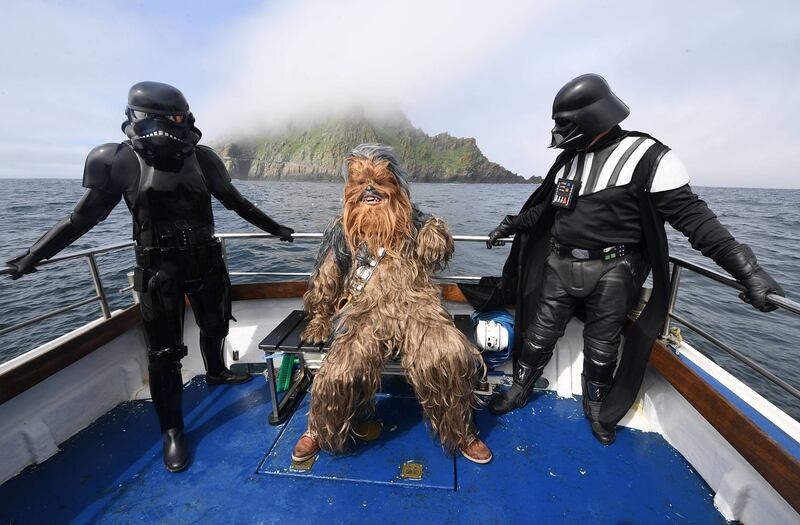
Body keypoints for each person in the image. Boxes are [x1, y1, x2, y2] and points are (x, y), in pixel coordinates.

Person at [5, 81, 295, 471]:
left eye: (182, 116)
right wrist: (34, 255)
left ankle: (217, 371)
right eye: (174, 117)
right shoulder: (117, 160)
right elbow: (83, 218)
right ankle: (172, 430)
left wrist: (275, 228)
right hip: (158, 269)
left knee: (214, 324)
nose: (180, 124)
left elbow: (237, 202)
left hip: (207, 259)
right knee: (163, 356)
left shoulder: (204, 158)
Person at [484, 73, 785, 444]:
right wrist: (511, 224)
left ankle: (597, 406)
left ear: (590, 119)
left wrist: (747, 269)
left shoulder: (649, 158)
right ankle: (519, 388)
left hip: (613, 269)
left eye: (564, 124)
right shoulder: (568, 162)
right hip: (558, 265)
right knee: (539, 334)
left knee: (602, 343)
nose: (558, 132)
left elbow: (696, 221)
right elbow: (547, 211)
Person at [293, 144, 492, 464]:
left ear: (397, 187)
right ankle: (319, 428)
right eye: (359, 184)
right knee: (340, 371)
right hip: (365, 312)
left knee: (449, 355)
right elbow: (326, 277)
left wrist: (437, 234)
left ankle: (462, 430)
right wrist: (320, 315)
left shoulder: (416, 222)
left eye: (379, 182)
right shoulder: (342, 231)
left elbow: (438, 251)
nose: (369, 190)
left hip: (418, 306)